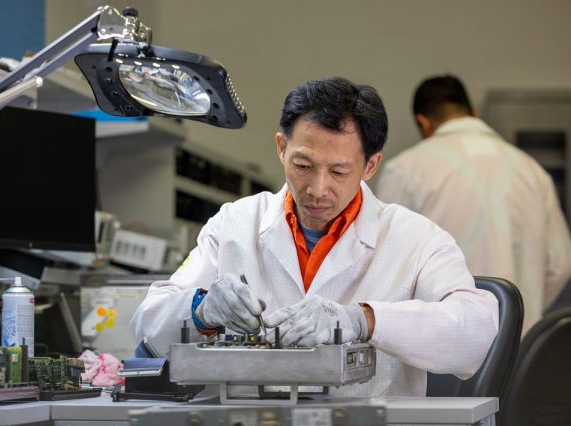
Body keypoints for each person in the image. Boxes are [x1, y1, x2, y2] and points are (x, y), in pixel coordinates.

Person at [131, 76, 498, 397]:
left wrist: (363, 320)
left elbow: (474, 334)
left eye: (339, 171)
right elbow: (149, 326)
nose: (317, 190)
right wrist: (202, 309)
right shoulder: (235, 223)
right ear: (281, 148)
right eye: (303, 166)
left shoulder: (417, 239)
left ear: (370, 165)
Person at [375, 74, 571, 335]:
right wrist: (525, 309)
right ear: (474, 112)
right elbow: (561, 263)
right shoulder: (532, 171)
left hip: (443, 347)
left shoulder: (406, 170)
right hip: (519, 343)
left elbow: (385, 264)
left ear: (423, 122)